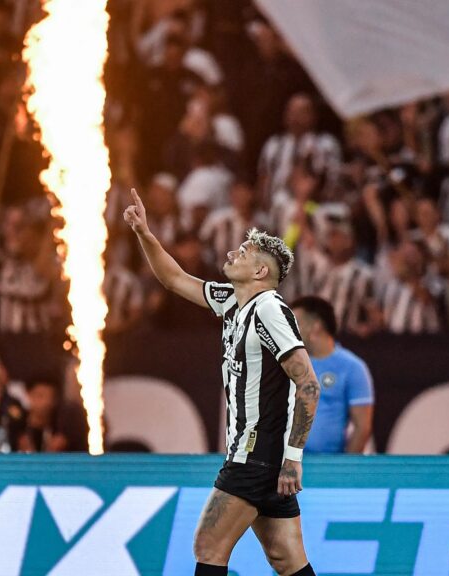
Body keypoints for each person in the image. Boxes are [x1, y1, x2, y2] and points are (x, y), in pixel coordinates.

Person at [125, 188, 319, 576]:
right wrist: (145, 233)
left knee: (208, 546)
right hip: (263, 458)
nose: (231, 254)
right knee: (285, 559)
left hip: (255, 455)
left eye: (243, 253)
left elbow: (309, 384)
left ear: (261, 272)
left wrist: (293, 458)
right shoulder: (233, 300)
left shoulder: (268, 309)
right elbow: (174, 279)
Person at [289, 297, 373, 454]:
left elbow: (362, 427)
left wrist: (344, 466)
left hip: (327, 463)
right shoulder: (287, 364)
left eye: (296, 324)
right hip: (285, 463)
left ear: (316, 326)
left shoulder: (352, 367)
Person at [19, 374, 89, 453]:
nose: (46, 402)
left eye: (50, 397)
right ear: (28, 394)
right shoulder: (19, 426)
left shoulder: (62, 426)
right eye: (40, 396)